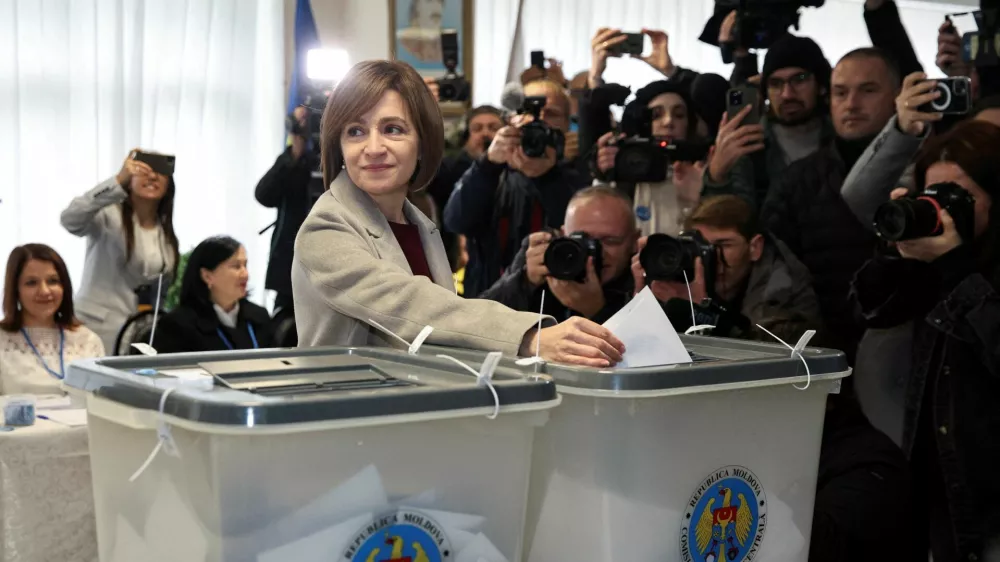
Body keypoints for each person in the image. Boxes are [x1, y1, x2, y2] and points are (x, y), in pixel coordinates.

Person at [292, 59, 625, 367]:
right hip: (345, 421)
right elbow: (409, 305)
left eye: (392, 129)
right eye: (355, 131)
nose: (374, 147)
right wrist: (529, 336)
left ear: (422, 142)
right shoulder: (326, 227)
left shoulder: (419, 224)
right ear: (338, 145)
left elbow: (439, 335)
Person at [850, 120, 1000, 561]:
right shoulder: (933, 265)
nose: (944, 212)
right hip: (940, 500)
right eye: (934, 197)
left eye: (961, 197)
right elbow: (870, 309)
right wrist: (896, 251)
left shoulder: (966, 272)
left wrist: (956, 267)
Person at [761, 47, 901, 365]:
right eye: (841, 92)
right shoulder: (796, 181)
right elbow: (777, 288)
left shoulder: (923, 167)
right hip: (823, 357)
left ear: (897, 96)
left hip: (906, 353)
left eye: (868, 90)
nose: (851, 104)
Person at [444, 78, 589, 298]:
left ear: (568, 123)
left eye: (551, 114)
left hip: (559, 304)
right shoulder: (491, 169)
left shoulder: (579, 173)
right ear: (512, 118)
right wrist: (489, 164)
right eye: (528, 110)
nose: (539, 120)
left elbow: (577, 230)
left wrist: (546, 177)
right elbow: (456, 220)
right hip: (492, 302)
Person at [632, 195, 822, 345]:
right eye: (702, 246)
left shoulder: (784, 290)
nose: (712, 257)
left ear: (755, 247)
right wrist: (641, 304)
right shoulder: (680, 281)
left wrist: (703, 314)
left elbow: (769, 363)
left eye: (723, 245)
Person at [60, 150, 180, 352]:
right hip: (95, 328)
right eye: (144, 170)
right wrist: (117, 180)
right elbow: (70, 219)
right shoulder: (107, 216)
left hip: (139, 332)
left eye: (160, 171)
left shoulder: (164, 231)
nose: (152, 176)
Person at [704, 34, 834, 206]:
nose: (787, 94)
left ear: (821, 85)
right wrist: (717, 176)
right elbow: (728, 219)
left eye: (799, 79)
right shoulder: (750, 145)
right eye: (776, 83)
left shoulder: (842, 138)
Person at [480, 186, 638, 324]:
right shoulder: (545, 254)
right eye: (582, 238)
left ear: (634, 241)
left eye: (610, 241)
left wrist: (597, 310)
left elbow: (647, 352)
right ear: (563, 235)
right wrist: (525, 283)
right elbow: (477, 320)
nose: (595, 250)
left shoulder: (645, 272)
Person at [592, 80, 715, 237]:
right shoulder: (624, 171)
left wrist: (696, 200)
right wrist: (603, 175)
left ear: (690, 123)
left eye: (679, 115)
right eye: (656, 115)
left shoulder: (702, 171)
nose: (668, 122)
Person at [0, 244, 105, 396]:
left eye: (53, 281)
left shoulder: (88, 341)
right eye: (31, 283)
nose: (44, 291)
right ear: (16, 290)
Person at [255, 105, 325, 315]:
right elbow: (263, 195)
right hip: (290, 272)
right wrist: (296, 149)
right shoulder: (296, 163)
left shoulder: (350, 165)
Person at [151, 236, 274, 354]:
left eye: (245, 265)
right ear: (207, 276)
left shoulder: (259, 317)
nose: (245, 274)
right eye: (236, 266)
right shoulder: (178, 325)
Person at [425, 105, 504, 223]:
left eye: (493, 128)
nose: (485, 133)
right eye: (477, 128)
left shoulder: (516, 167)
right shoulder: (447, 168)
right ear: (465, 136)